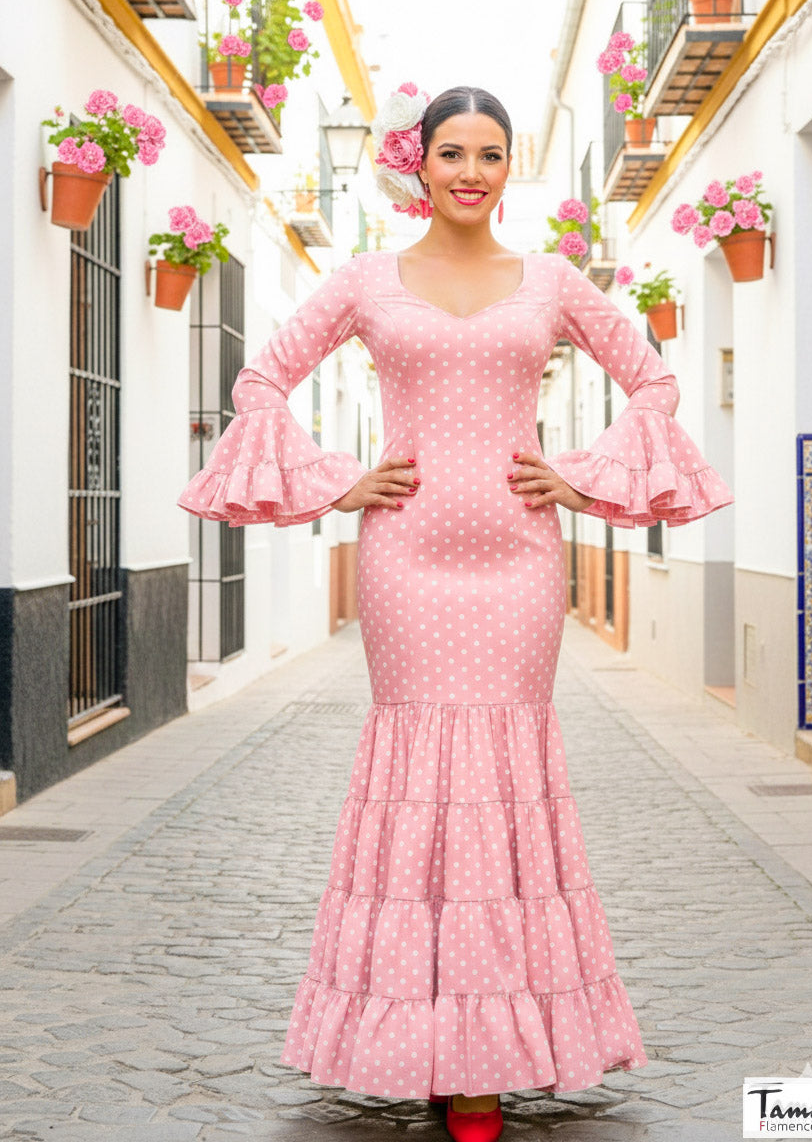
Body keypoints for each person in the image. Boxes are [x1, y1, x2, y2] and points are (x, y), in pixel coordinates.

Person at [177, 84, 733, 1142]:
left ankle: (481, 1061)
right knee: (419, 775)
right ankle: (426, 1042)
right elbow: (260, 381)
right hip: (407, 557)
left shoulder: (556, 280)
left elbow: (653, 382)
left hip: (519, 560)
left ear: (509, 166)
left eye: (490, 151)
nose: (470, 170)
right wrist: (340, 479)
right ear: (418, 165)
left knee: (502, 774)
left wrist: (579, 475)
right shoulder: (364, 280)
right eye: (451, 152)